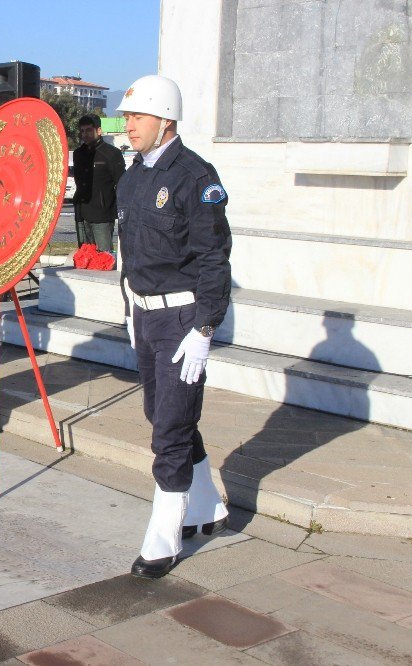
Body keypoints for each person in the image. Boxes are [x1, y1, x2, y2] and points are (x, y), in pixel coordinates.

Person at [116, 75, 232, 579]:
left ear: (165, 119)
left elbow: (213, 258)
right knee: (161, 412)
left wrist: (205, 328)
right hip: (145, 313)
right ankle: (208, 504)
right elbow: (131, 250)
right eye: (127, 116)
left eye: (137, 116)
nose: (129, 125)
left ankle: (163, 537)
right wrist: (128, 305)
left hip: (183, 319)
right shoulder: (132, 176)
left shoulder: (195, 177)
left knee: (170, 428)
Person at [73, 114, 125, 253]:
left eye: (89, 130)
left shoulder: (112, 153)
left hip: (102, 215)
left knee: (104, 256)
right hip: (81, 213)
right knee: (84, 257)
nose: (85, 134)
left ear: (99, 131)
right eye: (82, 131)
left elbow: (122, 184)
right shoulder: (78, 154)